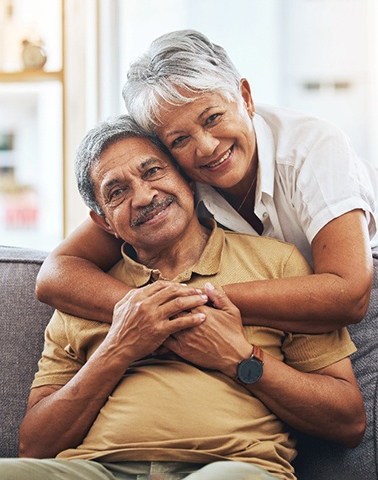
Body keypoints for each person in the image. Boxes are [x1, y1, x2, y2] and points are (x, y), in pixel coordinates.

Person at [0, 116, 365, 480]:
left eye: (152, 171)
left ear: (189, 181)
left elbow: (348, 421)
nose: (142, 197)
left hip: (228, 469)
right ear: (104, 221)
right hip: (96, 470)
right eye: (117, 192)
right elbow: (33, 446)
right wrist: (118, 348)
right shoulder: (86, 294)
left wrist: (240, 358)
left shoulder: (276, 265)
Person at [35, 29, 378, 334]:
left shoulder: (314, 148)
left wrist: (190, 300)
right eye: (179, 139)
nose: (207, 147)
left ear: (245, 97)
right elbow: (56, 274)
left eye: (213, 118)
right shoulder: (173, 177)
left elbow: (350, 295)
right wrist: (147, 310)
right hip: (252, 322)